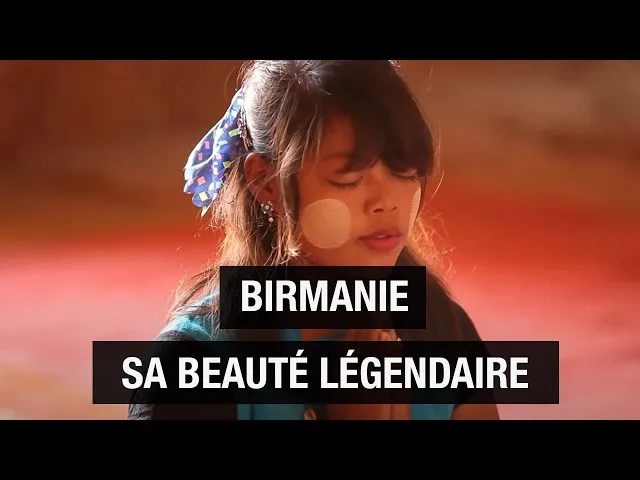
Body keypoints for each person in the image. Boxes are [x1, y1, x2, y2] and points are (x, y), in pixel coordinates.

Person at [127, 60, 500, 420]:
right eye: (348, 178)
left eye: (403, 171)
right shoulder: (192, 364)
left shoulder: (442, 327)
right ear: (266, 182)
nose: (386, 201)